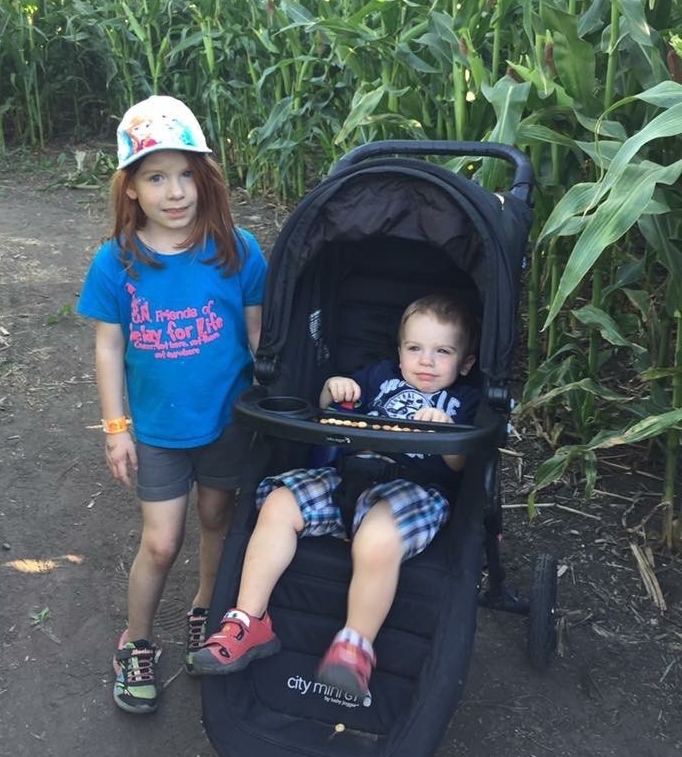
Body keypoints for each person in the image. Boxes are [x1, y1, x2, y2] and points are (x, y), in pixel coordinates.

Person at [77, 95, 267, 714]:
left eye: (187, 173)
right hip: (158, 429)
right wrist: (116, 427)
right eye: (156, 176)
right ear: (130, 187)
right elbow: (109, 349)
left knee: (217, 518)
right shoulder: (118, 261)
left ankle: (205, 610)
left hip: (227, 422)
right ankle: (135, 642)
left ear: (204, 177)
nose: (176, 190)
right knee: (161, 542)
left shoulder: (238, 251)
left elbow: (261, 340)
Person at [194, 293, 479, 699]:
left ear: (466, 363)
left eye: (443, 351)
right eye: (414, 348)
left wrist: (448, 433)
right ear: (399, 352)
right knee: (278, 504)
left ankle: (354, 647)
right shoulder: (380, 377)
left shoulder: (462, 402)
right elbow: (332, 407)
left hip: (413, 490)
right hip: (346, 475)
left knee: (378, 541)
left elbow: (460, 466)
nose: (426, 361)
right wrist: (333, 388)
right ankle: (247, 620)